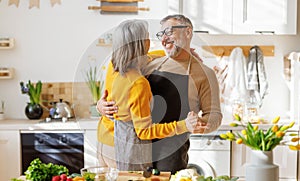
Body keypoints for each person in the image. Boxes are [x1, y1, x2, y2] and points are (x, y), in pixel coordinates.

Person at [98, 14, 222, 174]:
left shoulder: (205, 74)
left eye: (168, 32)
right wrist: (102, 106)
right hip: (138, 149)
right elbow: (120, 87)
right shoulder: (148, 62)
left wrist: (201, 124)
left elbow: (214, 114)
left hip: (171, 153)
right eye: (160, 34)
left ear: (188, 32)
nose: (163, 39)